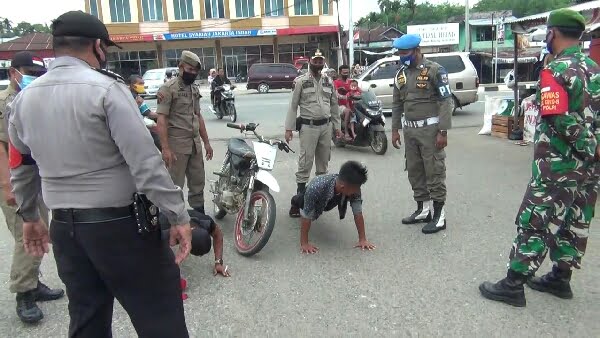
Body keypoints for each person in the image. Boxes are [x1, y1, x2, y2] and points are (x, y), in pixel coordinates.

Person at [7, 11, 193, 336]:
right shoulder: (106, 90)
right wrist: (178, 215)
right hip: (120, 229)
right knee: (159, 318)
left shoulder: (24, 99)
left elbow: (22, 166)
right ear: (97, 46)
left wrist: (30, 217)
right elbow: (146, 164)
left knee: (87, 320)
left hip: (65, 230)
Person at [479, 9, 600, 308]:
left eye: (546, 33)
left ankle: (513, 283)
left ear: (552, 33)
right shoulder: (595, 70)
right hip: (589, 166)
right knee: (575, 218)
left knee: (535, 219)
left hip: (558, 164)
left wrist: (589, 147)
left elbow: (559, 118)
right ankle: (561, 277)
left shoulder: (555, 71)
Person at [0, 51, 64, 324]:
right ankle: (23, 294)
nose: (32, 77)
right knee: (24, 237)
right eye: (27, 72)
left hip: (35, 177)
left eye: (36, 72)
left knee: (39, 230)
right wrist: (7, 185)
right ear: (13, 72)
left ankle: (33, 284)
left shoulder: (32, 97)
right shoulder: (5, 103)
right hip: (15, 181)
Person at [391, 33, 453, 234]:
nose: (402, 56)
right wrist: (394, 130)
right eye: (399, 53)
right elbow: (396, 103)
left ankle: (439, 215)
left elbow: (445, 101)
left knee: (434, 171)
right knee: (415, 170)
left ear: (417, 50)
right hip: (410, 130)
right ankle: (423, 209)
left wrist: (443, 131)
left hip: (430, 130)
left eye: (405, 52)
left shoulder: (435, 70)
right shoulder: (401, 73)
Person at [285, 49, 342, 218]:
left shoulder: (328, 81)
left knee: (323, 166)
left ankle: (318, 200)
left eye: (320, 61)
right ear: (310, 62)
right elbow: (293, 106)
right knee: (305, 164)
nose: (317, 63)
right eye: (315, 60)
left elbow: (334, 106)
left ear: (323, 63)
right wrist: (288, 129)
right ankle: (298, 202)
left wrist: (337, 127)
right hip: (308, 127)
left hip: (326, 127)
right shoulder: (301, 81)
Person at [157, 51, 213, 215]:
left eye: (195, 71)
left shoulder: (194, 89)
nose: (193, 73)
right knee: (174, 185)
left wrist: (207, 142)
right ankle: (173, 220)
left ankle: (199, 217)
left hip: (194, 145)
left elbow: (198, 116)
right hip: (177, 147)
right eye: (190, 69)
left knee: (198, 183)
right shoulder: (168, 89)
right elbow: (162, 120)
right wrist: (165, 148)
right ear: (181, 67)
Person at [290, 161, 375, 254]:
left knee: (325, 205)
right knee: (301, 202)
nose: (357, 191)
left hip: (329, 200)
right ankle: (294, 203)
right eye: (355, 190)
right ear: (343, 187)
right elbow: (306, 216)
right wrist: (304, 243)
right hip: (311, 196)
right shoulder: (316, 187)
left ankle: (321, 205)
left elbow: (358, 212)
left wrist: (362, 239)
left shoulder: (353, 187)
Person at [333, 65, 353, 141]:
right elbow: (336, 94)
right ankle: (346, 132)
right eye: (344, 72)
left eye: (347, 72)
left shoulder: (351, 82)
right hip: (340, 105)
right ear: (340, 73)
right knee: (347, 111)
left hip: (351, 104)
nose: (346, 74)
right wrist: (344, 97)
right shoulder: (336, 82)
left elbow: (358, 90)